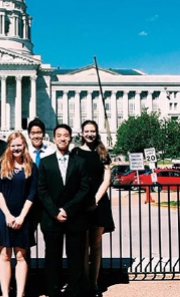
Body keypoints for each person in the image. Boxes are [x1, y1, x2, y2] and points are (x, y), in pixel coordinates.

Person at [38, 124, 90, 297]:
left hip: (74, 217)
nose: (62, 138)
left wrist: (68, 209)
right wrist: (55, 212)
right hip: (52, 218)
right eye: (59, 135)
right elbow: (42, 190)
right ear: (54, 139)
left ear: (70, 138)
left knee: (75, 257)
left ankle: (74, 290)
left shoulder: (80, 162)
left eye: (65, 135)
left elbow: (84, 189)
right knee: (52, 258)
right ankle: (53, 290)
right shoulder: (45, 163)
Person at [71, 120, 115, 297]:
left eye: (93, 131)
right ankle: (85, 283)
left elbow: (107, 179)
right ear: (82, 133)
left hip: (99, 202)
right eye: (87, 131)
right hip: (81, 203)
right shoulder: (75, 152)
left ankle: (94, 284)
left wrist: (95, 200)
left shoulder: (102, 152)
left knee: (95, 245)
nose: (90, 134)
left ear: (96, 133)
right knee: (83, 245)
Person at [0, 132, 38, 297]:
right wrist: (8, 215)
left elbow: (32, 194)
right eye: (13, 145)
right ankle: (5, 293)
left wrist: (21, 217)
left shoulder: (31, 166)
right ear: (9, 147)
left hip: (23, 215)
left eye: (19, 145)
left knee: (20, 255)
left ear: (24, 145)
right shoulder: (1, 165)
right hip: (3, 214)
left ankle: (20, 293)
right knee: (4, 254)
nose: (16, 148)